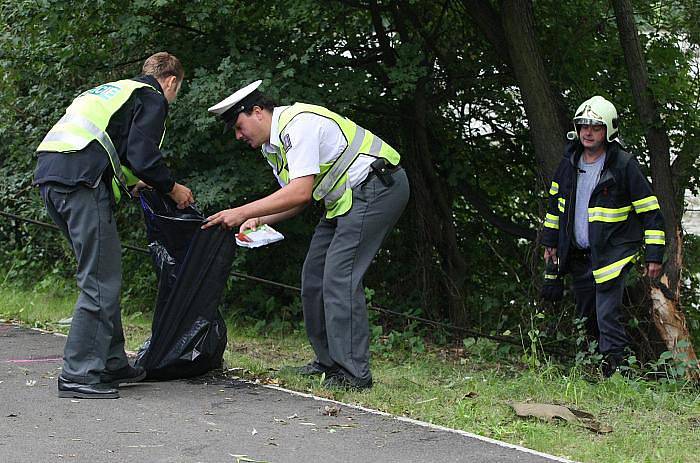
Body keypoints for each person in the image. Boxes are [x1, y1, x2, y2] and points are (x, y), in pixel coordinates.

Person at [204, 80, 410, 390]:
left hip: (377, 186)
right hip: (344, 200)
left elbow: (299, 194)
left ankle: (354, 374)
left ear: (257, 112)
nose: (238, 135)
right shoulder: (272, 149)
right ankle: (328, 362)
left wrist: (242, 211)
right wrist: (258, 218)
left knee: (339, 277)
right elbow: (298, 199)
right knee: (313, 278)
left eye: (238, 125)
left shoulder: (297, 126)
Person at [34, 52, 194, 398]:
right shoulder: (150, 96)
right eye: (177, 88)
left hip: (53, 178)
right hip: (81, 185)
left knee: (102, 274)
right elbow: (142, 155)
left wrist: (130, 183)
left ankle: (109, 361)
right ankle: (79, 373)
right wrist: (172, 187)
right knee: (100, 280)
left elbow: (109, 147)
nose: (173, 95)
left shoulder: (113, 91)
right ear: (170, 81)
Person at [541, 95, 665, 376]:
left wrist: (654, 255)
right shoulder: (569, 161)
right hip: (579, 255)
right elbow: (555, 206)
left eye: (595, 127)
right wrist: (551, 242)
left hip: (612, 256)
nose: (587, 132)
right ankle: (591, 368)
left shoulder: (622, 165)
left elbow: (651, 212)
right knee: (587, 316)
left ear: (608, 130)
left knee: (607, 315)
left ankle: (616, 372)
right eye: (583, 125)